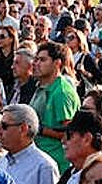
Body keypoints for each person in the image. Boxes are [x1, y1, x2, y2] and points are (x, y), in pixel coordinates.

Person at [31, 41, 81, 172]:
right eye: (36, 59)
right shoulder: (41, 86)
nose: (36, 64)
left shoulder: (62, 92)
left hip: (57, 163)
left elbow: (70, 133)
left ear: (57, 63)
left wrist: (39, 129)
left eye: (42, 60)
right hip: (40, 157)